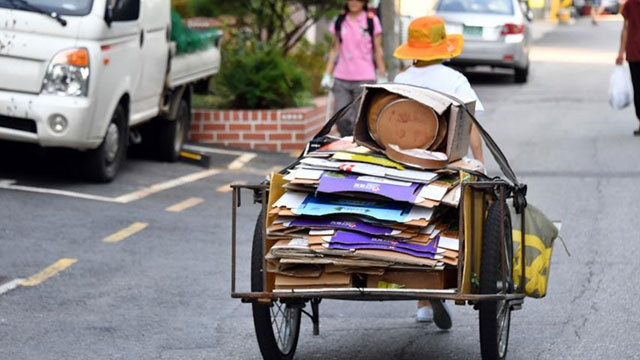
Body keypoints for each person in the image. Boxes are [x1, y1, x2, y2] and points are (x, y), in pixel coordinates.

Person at [392, 15, 485, 329]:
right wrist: (480, 162)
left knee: (413, 219)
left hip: (403, 166)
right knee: (446, 219)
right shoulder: (455, 80)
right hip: (444, 167)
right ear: (441, 47)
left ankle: (421, 302)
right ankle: (436, 289)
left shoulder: (400, 79)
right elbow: (471, 125)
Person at [321, 0, 387, 137]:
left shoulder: (371, 21)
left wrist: (382, 75)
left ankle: (357, 145)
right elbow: (334, 49)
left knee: (360, 120)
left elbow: (378, 50)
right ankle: (348, 141)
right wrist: (327, 74)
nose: (354, 2)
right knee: (341, 118)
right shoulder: (340, 20)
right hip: (341, 78)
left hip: (365, 78)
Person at [616, 0, 640, 135]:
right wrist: (620, 53)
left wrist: (620, 52)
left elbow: (625, 28)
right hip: (634, 53)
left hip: (634, 53)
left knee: (638, 89)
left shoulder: (630, 4)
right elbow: (626, 28)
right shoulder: (630, 5)